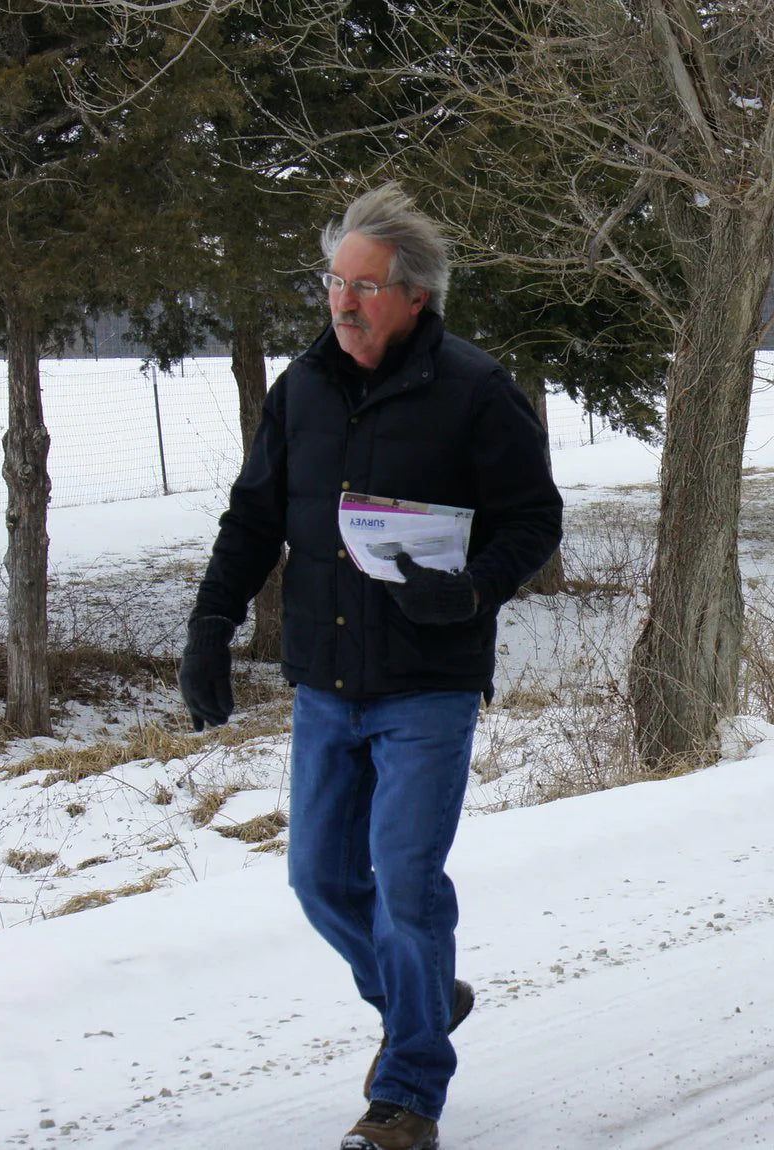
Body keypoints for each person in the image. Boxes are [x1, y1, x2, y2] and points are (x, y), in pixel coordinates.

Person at [176, 184, 563, 1150]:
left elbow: (533, 519)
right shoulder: (300, 388)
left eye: (365, 287)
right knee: (317, 880)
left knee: (404, 881)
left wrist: (472, 592)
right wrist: (210, 623)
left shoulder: (475, 391)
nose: (342, 303)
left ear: (415, 298)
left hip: (427, 683)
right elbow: (254, 517)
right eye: (334, 282)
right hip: (325, 681)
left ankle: (407, 1095)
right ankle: (421, 993)